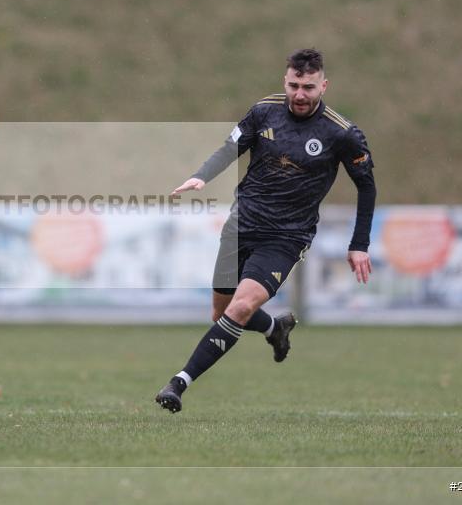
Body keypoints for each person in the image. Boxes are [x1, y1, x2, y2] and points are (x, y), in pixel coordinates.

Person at [155, 48, 375, 413]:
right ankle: (275, 328)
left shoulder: (342, 133)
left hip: (286, 237)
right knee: (221, 313)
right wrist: (200, 176)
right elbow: (230, 148)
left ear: (324, 85)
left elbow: (366, 186)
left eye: (308, 87)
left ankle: (179, 383)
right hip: (241, 225)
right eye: (293, 85)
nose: (300, 94)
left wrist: (359, 244)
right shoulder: (264, 111)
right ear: (284, 81)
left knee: (240, 307)